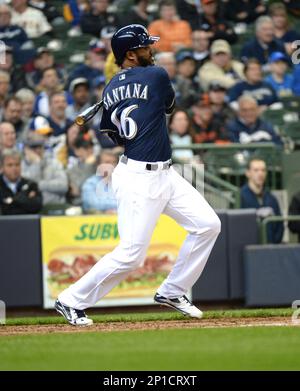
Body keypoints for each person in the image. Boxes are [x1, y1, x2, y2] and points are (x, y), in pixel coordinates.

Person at [55, 24, 221, 326]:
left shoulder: (110, 89)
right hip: (138, 178)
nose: (151, 50)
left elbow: (113, 135)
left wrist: (126, 94)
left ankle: (173, 290)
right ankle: (70, 300)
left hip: (163, 173)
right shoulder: (157, 76)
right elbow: (170, 106)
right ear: (130, 54)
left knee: (208, 225)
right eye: (145, 47)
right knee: (131, 254)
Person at [241, 157, 283, 244]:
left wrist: (274, 244)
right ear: (248, 173)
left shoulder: (272, 198)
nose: (260, 173)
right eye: (256, 170)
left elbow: (280, 225)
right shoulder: (239, 197)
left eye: (263, 170)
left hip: (271, 248)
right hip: (249, 248)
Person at [21, 134, 68, 206]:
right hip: (29, 207)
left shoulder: (54, 163)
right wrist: (36, 164)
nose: (37, 150)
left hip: (53, 206)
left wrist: (39, 185)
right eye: (33, 147)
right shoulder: (20, 166)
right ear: (26, 149)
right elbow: (26, 188)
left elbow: (63, 186)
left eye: (39, 146)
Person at [0, 148, 42, 215]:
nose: (14, 168)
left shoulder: (31, 184)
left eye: (17, 164)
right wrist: (24, 198)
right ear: (2, 167)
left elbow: (36, 206)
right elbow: (3, 210)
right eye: (10, 165)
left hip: (27, 224)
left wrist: (12, 200)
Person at [82, 149, 118, 213]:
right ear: (98, 165)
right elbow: (94, 204)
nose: (112, 165)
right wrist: (118, 205)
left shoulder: (123, 183)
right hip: (94, 220)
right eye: (107, 162)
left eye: (114, 162)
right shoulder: (90, 184)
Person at [67, 135, 98, 206]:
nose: (90, 150)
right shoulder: (73, 170)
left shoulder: (100, 163)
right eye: (85, 148)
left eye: (91, 147)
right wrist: (88, 165)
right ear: (76, 151)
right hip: (81, 204)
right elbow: (79, 189)